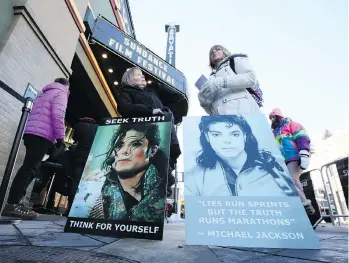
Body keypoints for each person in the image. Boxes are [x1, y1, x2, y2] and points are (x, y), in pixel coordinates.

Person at [2, 78, 69, 219]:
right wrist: (61, 139)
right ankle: (12, 205)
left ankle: (14, 204)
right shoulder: (61, 93)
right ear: (66, 86)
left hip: (31, 134)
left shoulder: (44, 93)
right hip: (42, 136)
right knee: (29, 169)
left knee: (30, 168)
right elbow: (58, 115)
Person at [185, 115, 297, 197]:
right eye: (216, 134)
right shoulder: (195, 177)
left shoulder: (272, 164)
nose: (227, 141)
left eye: (234, 134)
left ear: (244, 135)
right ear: (207, 137)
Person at [116, 67, 181, 196]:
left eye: (142, 74)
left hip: (165, 129)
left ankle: (162, 189)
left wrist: (157, 82)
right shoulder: (127, 92)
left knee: (167, 161)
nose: (142, 76)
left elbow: (175, 96)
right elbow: (125, 108)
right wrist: (149, 111)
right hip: (143, 134)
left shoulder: (152, 91)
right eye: (138, 74)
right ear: (129, 78)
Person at [86, 122, 168, 222]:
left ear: (153, 150)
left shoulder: (159, 192)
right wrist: (86, 195)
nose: (124, 151)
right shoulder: (96, 189)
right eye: (119, 145)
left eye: (136, 144)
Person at [269, 108, 316, 215]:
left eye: (273, 117)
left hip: (294, 158)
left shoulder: (292, 125)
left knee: (289, 181)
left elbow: (302, 137)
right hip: (283, 161)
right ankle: (305, 209)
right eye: (270, 118)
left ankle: (304, 205)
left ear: (278, 116)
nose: (271, 120)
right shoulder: (274, 133)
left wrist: (304, 153)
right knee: (295, 182)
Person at [198, 45, 262, 116]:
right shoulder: (211, 78)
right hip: (221, 122)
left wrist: (220, 82)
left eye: (218, 49)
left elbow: (251, 77)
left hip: (243, 116)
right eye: (211, 52)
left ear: (225, 52)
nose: (214, 51)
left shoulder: (235, 61)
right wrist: (204, 102)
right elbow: (210, 110)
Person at [65, 117, 98, 214]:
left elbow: (74, 138)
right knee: (88, 183)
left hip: (80, 157)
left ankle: (72, 208)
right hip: (91, 158)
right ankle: (85, 209)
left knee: (76, 182)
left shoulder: (79, 126)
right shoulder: (97, 127)